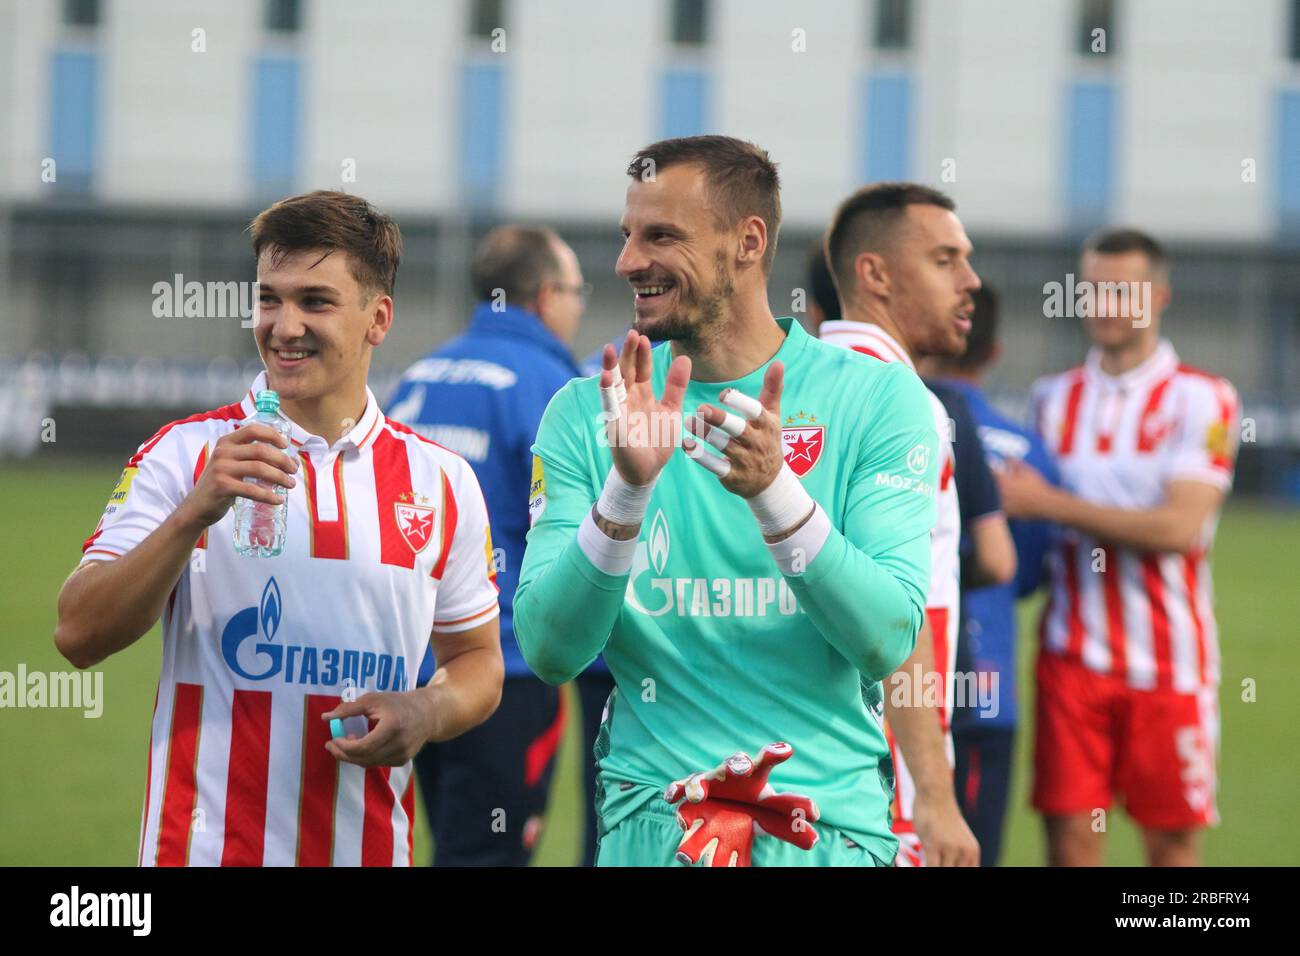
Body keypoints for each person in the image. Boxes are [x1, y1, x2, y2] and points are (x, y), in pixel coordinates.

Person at [514, 135, 941, 866]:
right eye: (627, 237)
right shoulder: (587, 413)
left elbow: (887, 637)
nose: (627, 262)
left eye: (661, 236)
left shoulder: (875, 397)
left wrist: (778, 496)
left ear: (748, 242)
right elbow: (551, 651)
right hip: (656, 830)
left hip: (824, 833)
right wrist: (626, 492)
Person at [56, 191, 504, 866]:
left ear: (377, 318)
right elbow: (78, 635)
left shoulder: (441, 481)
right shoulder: (183, 455)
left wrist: (427, 712)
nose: (283, 326)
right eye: (270, 299)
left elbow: (476, 660)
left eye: (315, 302)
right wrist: (192, 516)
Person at [998, 228, 1240, 867]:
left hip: (1170, 667)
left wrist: (1048, 503)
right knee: (1071, 849)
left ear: (1158, 296)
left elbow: (1178, 528)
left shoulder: (1203, 398)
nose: (1104, 304)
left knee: (1172, 852)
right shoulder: (1052, 398)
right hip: (1071, 660)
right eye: (1094, 289)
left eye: (1122, 291)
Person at [387, 225, 605, 866]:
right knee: (489, 855)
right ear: (543, 296)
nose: (579, 306)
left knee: (451, 847)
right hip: (502, 674)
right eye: (574, 291)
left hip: (413, 667)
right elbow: (577, 533)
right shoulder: (551, 389)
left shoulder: (419, 376)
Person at [821, 182, 1016, 866]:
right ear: (874, 274)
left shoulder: (787, 385)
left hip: (781, 774)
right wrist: (931, 797)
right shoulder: (904, 405)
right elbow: (895, 612)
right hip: (877, 783)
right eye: (945, 260)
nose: (971, 282)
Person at [925, 283, 1058, 865]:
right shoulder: (1028, 450)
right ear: (995, 351)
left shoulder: (893, 413)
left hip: (897, 684)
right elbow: (1025, 572)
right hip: (984, 691)